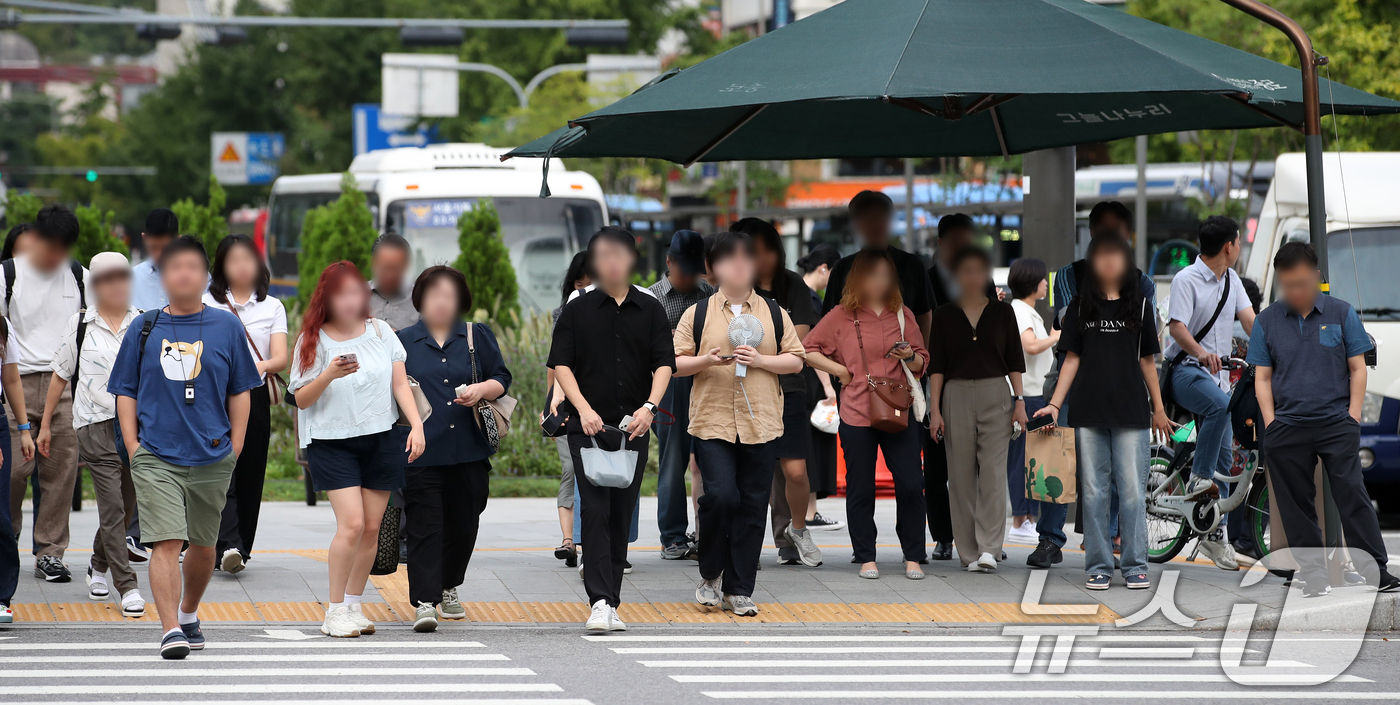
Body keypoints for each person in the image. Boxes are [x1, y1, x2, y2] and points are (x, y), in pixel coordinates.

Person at [108, 236, 262, 658]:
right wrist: (133, 444)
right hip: (156, 454)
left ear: (206, 275)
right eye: (175, 267)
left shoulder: (227, 326)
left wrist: (236, 444)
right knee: (166, 542)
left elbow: (241, 389)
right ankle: (170, 629)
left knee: (204, 545)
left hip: (213, 453)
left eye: (193, 266)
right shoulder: (144, 326)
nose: (184, 274)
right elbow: (125, 391)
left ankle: (189, 611)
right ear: (163, 276)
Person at [1247, 242, 1398, 595]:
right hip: (1287, 427)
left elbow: (1358, 368)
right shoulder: (1268, 321)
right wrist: (1271, 423)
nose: (1295, 292)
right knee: (1295, 504)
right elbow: (1263, 378)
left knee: (1352, 495)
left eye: (1301, 283)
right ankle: (1313, 574)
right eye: (1287, 284)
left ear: (1316, 277)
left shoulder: (1341, 313)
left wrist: (1353, 417)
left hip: (1335, 424)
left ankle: (1376, 568)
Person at [290, 261, 426, 638]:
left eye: (356, 292)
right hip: (332, 441)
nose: (351, 300)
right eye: (342, 294)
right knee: (350, 525)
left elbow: (401, 384)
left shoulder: (380, 332)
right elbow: (300, 399)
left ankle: (352, 604)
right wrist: (328, 374)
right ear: (327, 298)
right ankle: (333, 611)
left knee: (370, 528)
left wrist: (416, 425)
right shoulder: (313, 339)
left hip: (381, 437)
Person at [674, 230, 805, 617]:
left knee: (751, 504)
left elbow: (796, 360)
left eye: (746, 258)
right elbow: (674, 363)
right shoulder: (696, 314)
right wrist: (706, 361)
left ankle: (740, 588)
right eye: (730, 258)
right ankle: (711, 573)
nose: (739, 265)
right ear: (714, 267)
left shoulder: (774, 313)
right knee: (721, 496)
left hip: (761, 421)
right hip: (712, 421)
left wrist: (761, 360)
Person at [548, 227, 673, 632]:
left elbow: (664, 363)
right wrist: (582, 409)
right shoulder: (577, 307)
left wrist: (650, 408)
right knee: (596, 508)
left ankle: (612, 600)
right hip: (588, 426)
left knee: (621, 511)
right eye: (603, 254)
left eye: (619, 254)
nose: (612, 261)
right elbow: (562, 364)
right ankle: (599, 601)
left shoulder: (650, 307)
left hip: (633, 428)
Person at [1033, 237, 1171, 590]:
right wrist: (1054, 404)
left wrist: (1158, 408)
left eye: (1116, 257)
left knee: (1132, 492)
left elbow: (1147, 362)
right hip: (1089, 410)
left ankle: (1135, 564)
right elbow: (1071, 360)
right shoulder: (1080, 307)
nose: (1109, 263)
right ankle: (1099, 564)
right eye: (1102, 257)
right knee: (1093, 493)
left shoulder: (1139, 307)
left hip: (1131, 412)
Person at [804, 249, 929, 578]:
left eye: (887, 275)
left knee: (911, 483)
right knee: (861, 487)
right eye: (874, 275)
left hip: (897, 410)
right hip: (857, 412)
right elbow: (807, 349)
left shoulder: (902, 315)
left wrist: (909, 355)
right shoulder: (840, 316)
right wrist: (841, 372)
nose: (881, 281)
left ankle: (913, 555)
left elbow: (922, 362)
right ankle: (865, 555)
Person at [399, 266, 511, 631]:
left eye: (449, 295)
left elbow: (502, 378)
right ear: (420, 300)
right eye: (434, 295)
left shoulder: (476, 335)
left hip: (470, 451)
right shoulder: (402, 342)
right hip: (422, 453)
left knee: (465, 524)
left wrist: (482, 389)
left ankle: (448, 584)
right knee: (424, 526)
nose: (441, 302)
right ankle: (425, 601)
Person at [37, 252, 144, 615]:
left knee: (127, 505)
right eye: (106, 278)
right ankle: (126, 585)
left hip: (136, 427)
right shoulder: (81, 323)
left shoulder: (144, 323)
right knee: (112, 506)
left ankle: (98, 564)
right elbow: (60, 373)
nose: (115, 284)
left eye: (121, 277)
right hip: (93, 424)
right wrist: (46, 424)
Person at [927, 248, 1027, 572]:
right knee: (959, 477)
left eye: (978, 270)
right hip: (954, 395)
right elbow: (937, 367)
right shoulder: (943, 315)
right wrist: (935, 410)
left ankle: (989, 549)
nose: (972, 277)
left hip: (996, 393)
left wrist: (1020, 402)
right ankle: (968, 552)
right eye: (965, 271)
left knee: (994, 474)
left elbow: (1014, 361)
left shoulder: (1003, 313)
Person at [1163, 215, 1254, 570]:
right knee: (1219, 408)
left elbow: (1250, 321)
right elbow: (1176, 328)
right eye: (1238, 243)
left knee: (1225, 464)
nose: (1239, 249)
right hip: (1185, 371)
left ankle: (1215, 536)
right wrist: (1201, 353)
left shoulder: (1232, 281)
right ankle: (1198, 479)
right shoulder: (1186, 279)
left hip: (1219, 382)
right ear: (1229, 245)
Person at [3, 204, 82, 583]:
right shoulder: (9, 275)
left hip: (63, 385)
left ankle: (50, 552)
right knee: (14, 471)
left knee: (60, 472)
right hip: (14, 384)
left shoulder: (77, 276)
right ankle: (10, 535)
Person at [737, 217, 822, 568]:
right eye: (755, 251)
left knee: (796, 472)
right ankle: (747, 545)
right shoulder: (737, 289)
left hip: (789, 390)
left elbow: (797, 344)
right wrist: (771, 356)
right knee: (752, 474)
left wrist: (761, 355)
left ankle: (796, 530)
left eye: (769, 249)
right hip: (749, 393)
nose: (764, 257)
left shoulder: (795, 287)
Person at [204, 234, 289, 575]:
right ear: (222, 265)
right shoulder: (206, 301)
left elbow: (281, 357)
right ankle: (225, 543)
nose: (241, 266)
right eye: (233, 260)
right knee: (220, 468)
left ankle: (241, 546)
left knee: (251, 469)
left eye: (247, 259)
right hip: (213, 393)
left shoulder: (272, 306)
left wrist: (261, 366)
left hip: (253, 391)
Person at [925, 214, 999, 561]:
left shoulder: (981, 281)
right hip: (936, 379)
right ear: (941, 244)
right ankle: (944, 535)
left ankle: (986, 541)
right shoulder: (927, 280)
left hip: (980, 381)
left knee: (985, 467)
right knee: (938, 465)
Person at [648, 230, 714, 561]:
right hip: (670, 384)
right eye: (683, 270)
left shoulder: (710, 293)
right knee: (673, 460)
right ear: (669, 262)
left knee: (709, 458)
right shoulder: (653, 298)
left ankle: (708, 534)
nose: (689, 278)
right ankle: (672, 536)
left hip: (708, 381)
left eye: (695, 270)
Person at [126, 208, 181, 560]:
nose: (161, 254)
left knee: (178, 455)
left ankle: (173, 534)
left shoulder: (193, 276)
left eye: (168, 246)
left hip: (185, 379)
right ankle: (137, 533)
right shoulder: (130, 279)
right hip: (145, 381)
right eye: (156, 246)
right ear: (146, 241)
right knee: (144, 455)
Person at [1005, 258, 1057, 545]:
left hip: (1034, 393)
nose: (1045, 284)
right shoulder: (1020, 311)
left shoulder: (1026, 311)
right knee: (1023, 458)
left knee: (1031, 459)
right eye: (1042, 279)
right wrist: (1054, 337)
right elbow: (1030, 346)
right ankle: (1020, 519)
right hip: (1028, 394)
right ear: (1032, 283)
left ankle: (1026, 518)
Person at [796, 244, 844, 528]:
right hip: (811, 380)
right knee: (812, 444)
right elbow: (814, 349)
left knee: (808, 443)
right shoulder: (811, 300)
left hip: (798, 377)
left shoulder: (796, 293)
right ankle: (809, 512)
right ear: (824, 268)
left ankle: (807, 511)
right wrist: (828, 386)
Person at [550, 252, 590, 566]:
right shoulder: (562, 313)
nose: (585, 289)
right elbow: (555, 363)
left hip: (599, 405)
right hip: (564, 403)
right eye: (579, 283)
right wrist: (549, 401)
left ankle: (588, 539)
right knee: (570, 469)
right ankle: (568, 541)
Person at [0, 310, 28, 623]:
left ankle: (1, 596)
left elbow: (10, 378)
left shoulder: (3, 325)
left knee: (1, 514)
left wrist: (24, 430)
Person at [129, 208, 180, 311]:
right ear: (144, 238)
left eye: (165, 248)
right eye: (153, 247)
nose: (159, 254)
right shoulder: (130, 279)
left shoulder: (199, 279)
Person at [369, 232, 419, 331]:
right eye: (385, 268)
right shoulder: (357, 295)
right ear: (373, 262)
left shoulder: (418, 299)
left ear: (407, 265)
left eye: (396, 269)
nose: (390, 275)